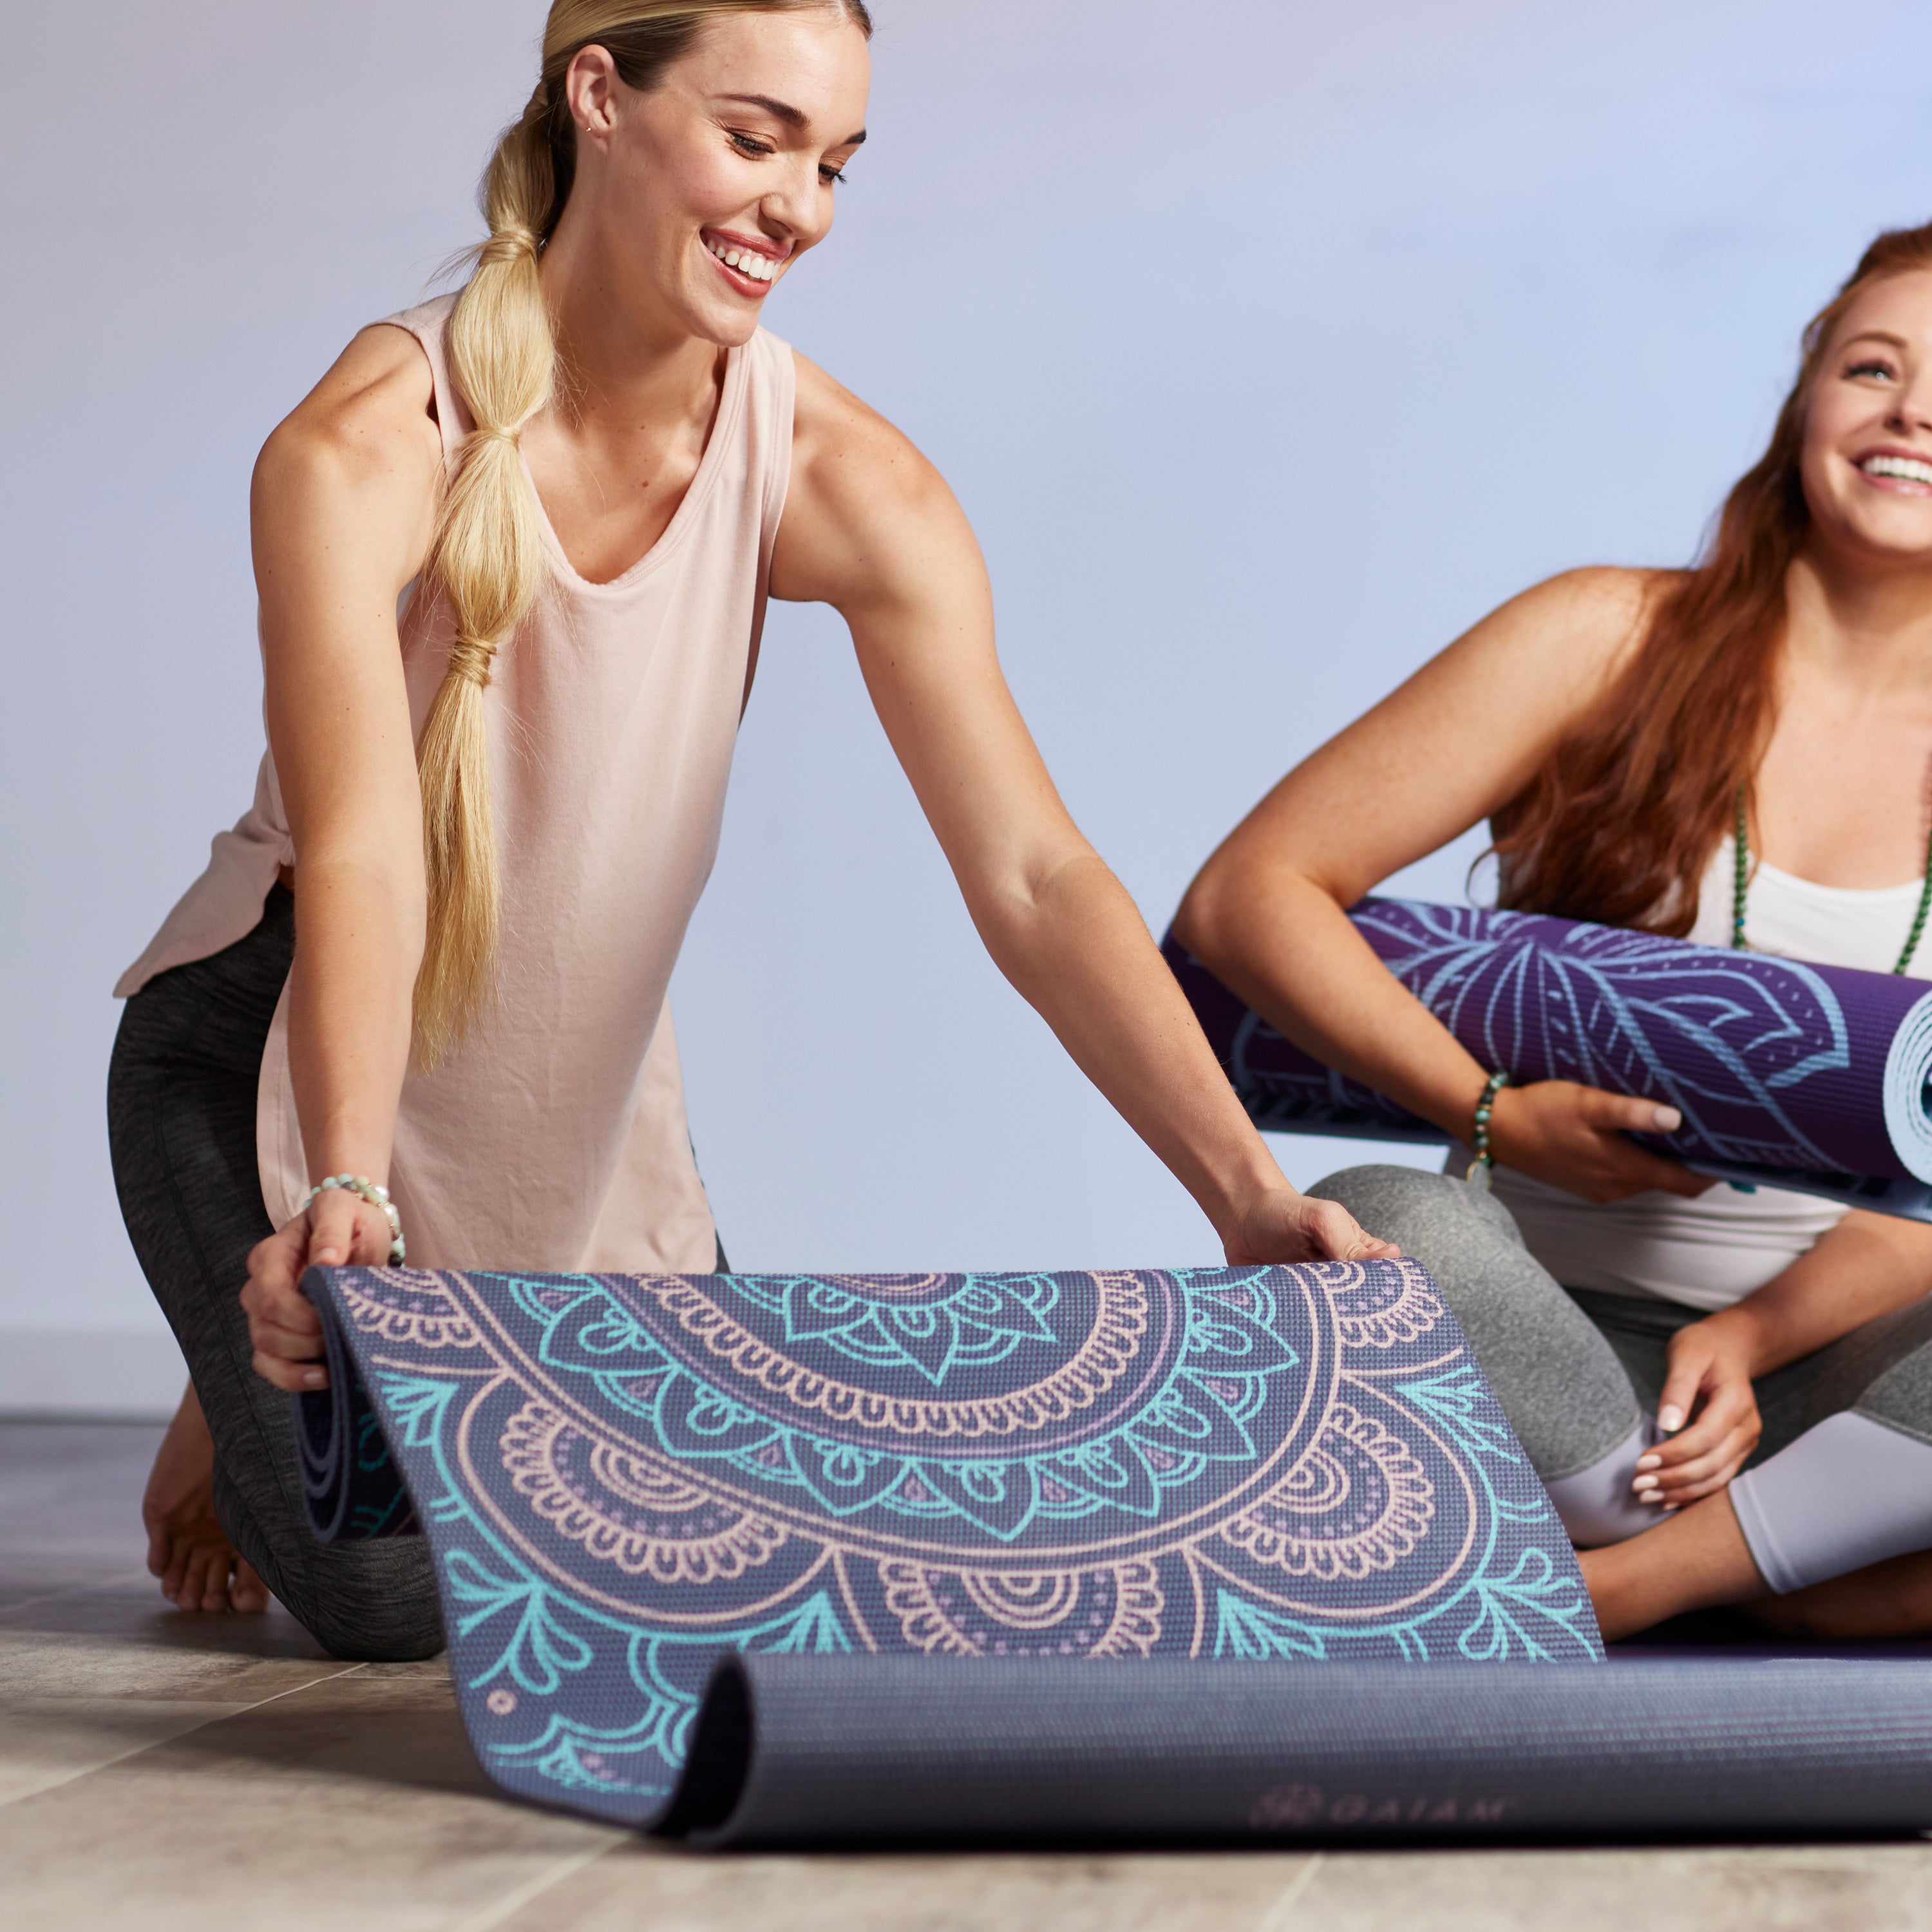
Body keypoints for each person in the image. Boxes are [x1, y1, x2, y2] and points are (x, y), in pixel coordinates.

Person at [109, 0, 1393, 1652]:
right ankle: (235, 1357)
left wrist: (1241, 1194)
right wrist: (340, 1186)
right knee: (395, 1601)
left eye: (838, 163)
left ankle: (270, 1378)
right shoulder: (361, 445)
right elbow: (360, 848)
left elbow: (1032, 872)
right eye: (758, 137)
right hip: (285, 1060)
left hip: (565, 1112)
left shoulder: (842, 471)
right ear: (600, 99)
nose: (802, 207)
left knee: (692, 1563)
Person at [1175, 221, 1932, 1642]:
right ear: (1807, 399)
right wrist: (1492, 1111)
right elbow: (1247, 896)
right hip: (1539, 1344)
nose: (1913, 416)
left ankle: (1640, 1583)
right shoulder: (1607, 636)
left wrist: (1755, 1334)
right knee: (1372, 1223)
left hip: (1822, 1377)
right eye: (1874, 366)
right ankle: (1793, 1571)